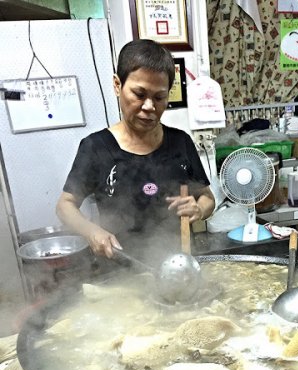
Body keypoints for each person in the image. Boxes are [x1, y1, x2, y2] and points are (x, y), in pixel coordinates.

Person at [56, 39, 215, 263]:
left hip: (177, 268)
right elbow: (65, 205)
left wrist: (198, 209)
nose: (149, 106)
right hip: (120, 271)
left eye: (159, 97)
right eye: (139, 94)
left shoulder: (181, 142)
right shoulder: (96, 147)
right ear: (117, 85)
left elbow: (208, 198)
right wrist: (92, 231)